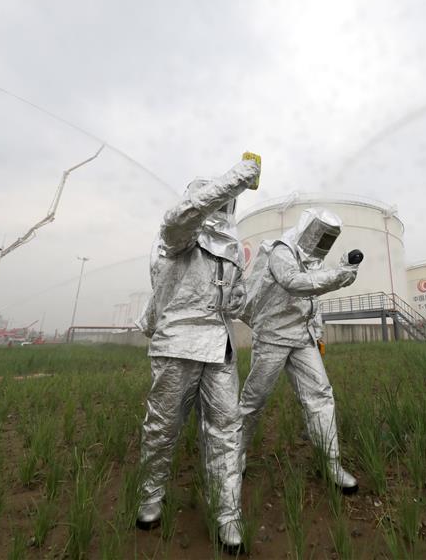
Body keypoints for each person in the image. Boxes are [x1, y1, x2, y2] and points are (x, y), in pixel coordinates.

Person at [134, 154, 260, 553]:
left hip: (219, 349)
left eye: (228, 203)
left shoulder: (233, 249)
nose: (224, 208)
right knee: (163, 427)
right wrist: (238, 176)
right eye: (219, 200)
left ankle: (226, 513)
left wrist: (249, 294)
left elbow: (235, 302)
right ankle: (150, 497)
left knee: (226, 430)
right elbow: (181, 218)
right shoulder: (178, 235)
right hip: (178, 345)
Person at [238, 208, 361, 493]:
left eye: (330, 238)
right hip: (272, 337)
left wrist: (317, 334)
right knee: (254, 399)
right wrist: (338, 276)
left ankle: (332, 463)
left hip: (302, 340)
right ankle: (236, 453)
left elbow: (312, 304)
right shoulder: (281, 251)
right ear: (310, 230)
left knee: (321, 395)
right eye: (322, 236)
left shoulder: (314, 262)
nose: (324, 243)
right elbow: (294, 283)